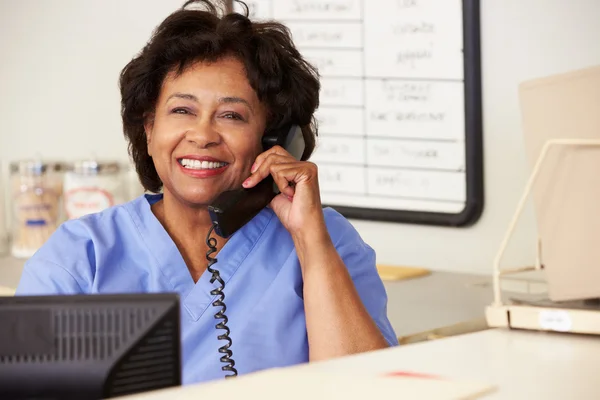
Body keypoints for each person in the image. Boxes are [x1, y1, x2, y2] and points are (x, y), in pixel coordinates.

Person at [15, 0, 397, 384]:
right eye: (182, 110)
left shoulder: (327, 240)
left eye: (232, 115)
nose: (202, 135)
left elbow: (371, 390)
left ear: (273, 140)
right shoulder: (79, 258)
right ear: (149, 129)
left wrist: (311, 244)